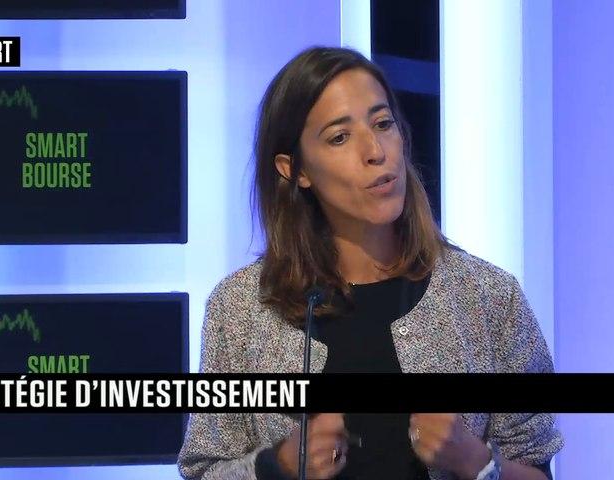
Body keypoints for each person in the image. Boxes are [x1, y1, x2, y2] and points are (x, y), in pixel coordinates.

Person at [177, 46, 563, 480]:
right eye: (339, 137)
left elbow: (538, 468)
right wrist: (276, 465)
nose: (375, 151)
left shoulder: (487, 296)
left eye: (383, 124)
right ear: (294, 170)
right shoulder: (241, 308)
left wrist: (473, 461)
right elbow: (203, 470)